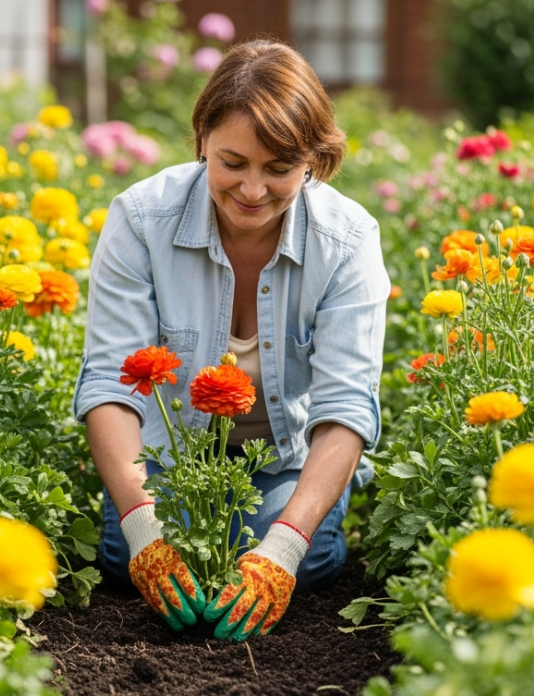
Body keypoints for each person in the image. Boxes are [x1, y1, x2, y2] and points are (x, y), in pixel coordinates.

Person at [72, 39, 389, 641]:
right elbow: (113, 387)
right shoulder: (142, 220)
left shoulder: (347, 241)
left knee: (305, 552)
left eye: (278, 169)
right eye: (232, 162)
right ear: (201, 142)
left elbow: (345, 410)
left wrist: (283, 549)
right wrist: (145, 531)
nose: (251, 189)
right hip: (170, 460)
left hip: (285, 461)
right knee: (125, 552)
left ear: (312, 162)